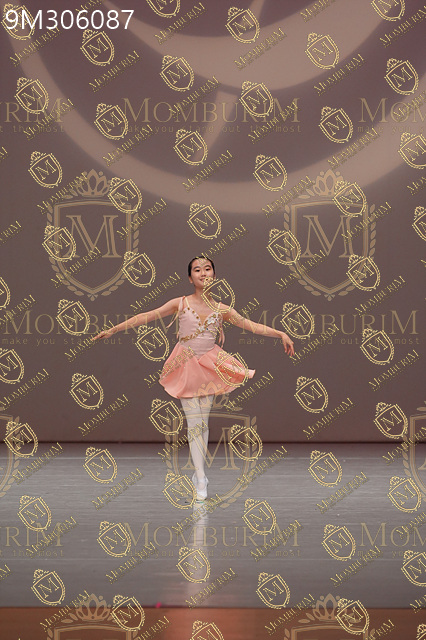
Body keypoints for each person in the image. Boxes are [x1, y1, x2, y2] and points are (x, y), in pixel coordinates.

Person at [92, 256, 294, 501]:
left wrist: (280, 333)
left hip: (210, 365)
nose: (203, 273)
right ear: (190, 278)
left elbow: (250, 325)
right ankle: (200, 477)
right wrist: (114, 329)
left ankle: (201, 476)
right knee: (194, 421)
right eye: (197, 270)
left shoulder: (222, 309)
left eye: (207, 269)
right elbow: (148, 315)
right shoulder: (180, 303)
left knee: (203, 422)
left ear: (214, 275)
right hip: (185, 364)